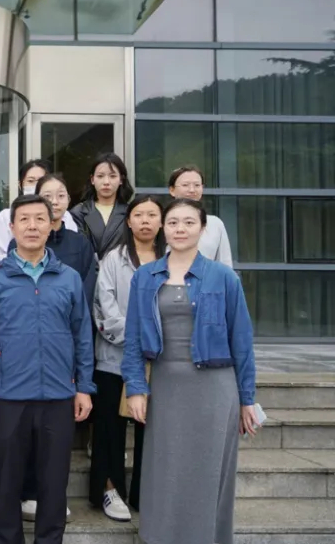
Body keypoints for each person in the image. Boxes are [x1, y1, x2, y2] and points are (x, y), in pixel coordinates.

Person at [122, 198, 258, 544]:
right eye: (173, 223)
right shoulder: (145, 277)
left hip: (215, 388)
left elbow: (242, 341)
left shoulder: (224, 277)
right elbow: (133, 337)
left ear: (203, 228)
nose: (180, 229)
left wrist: (247, 400)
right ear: (163, 228)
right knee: (165, 469)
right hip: (166, 385)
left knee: (210, 470)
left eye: (188, 222)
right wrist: (136, 388)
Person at [0, 194, 95, 544]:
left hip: (58, 394)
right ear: (11, 227)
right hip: (8, 395)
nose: (32, 226)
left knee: (54, 482)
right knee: (7, 480)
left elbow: (82, 335)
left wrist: (84, 387)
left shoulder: (68, 278)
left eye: (40, 219)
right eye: (24, 219)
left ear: (51, 225)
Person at [18, 173, 98, 521]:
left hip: (61, 350)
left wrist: (83, 378)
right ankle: (27, 494)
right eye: (46, 195)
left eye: (60, 195)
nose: (54, 201)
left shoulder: (79, 245)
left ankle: (52, 498)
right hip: (21, 361)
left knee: (56, 440)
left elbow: (84, 302)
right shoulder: (19, 247)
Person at [89, 195, 165, 522]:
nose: (145, 221)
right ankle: (110, 489)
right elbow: (104, 308)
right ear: (129, 221)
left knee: (154, 429)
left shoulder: (172, 260)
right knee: (110, 429)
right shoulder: (113, 259)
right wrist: (141, 338)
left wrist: (158, 341)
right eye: (139, 215)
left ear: (161, 222)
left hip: (161, 362)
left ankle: (145, 493)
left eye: (152, 215)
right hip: (114, 358)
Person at [0, 159, 77, 262]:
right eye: (30, 181)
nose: (36, 185)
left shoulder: (64, 216)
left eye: (41, 180)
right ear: (20, 184)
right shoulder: (5, 217)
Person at [70, 153, 135, 261]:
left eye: (112, 176)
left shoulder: (131, 212)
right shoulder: (78, 212)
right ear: (92, 180)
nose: (106, 182)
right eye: (100, 176)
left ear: (121, 180)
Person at [168, 166, 233, 267]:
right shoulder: (161, 222)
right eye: (185, 185)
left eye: (197, 185)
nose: (192, 190)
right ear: (172, 190)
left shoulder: (215, 224)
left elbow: (225, 263)